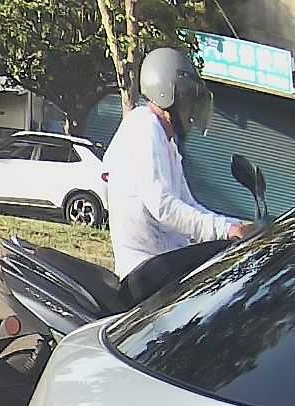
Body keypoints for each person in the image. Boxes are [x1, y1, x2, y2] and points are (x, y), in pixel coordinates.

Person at [101, 47, 249, 278]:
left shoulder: (166, 141)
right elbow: (163, 206)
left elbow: (188, 204)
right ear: (167, 94)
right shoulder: (144, 126)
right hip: (146, 271)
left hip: (164, 263)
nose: (191, 113)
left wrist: (237, 225)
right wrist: (224, 229)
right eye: (188, 101)